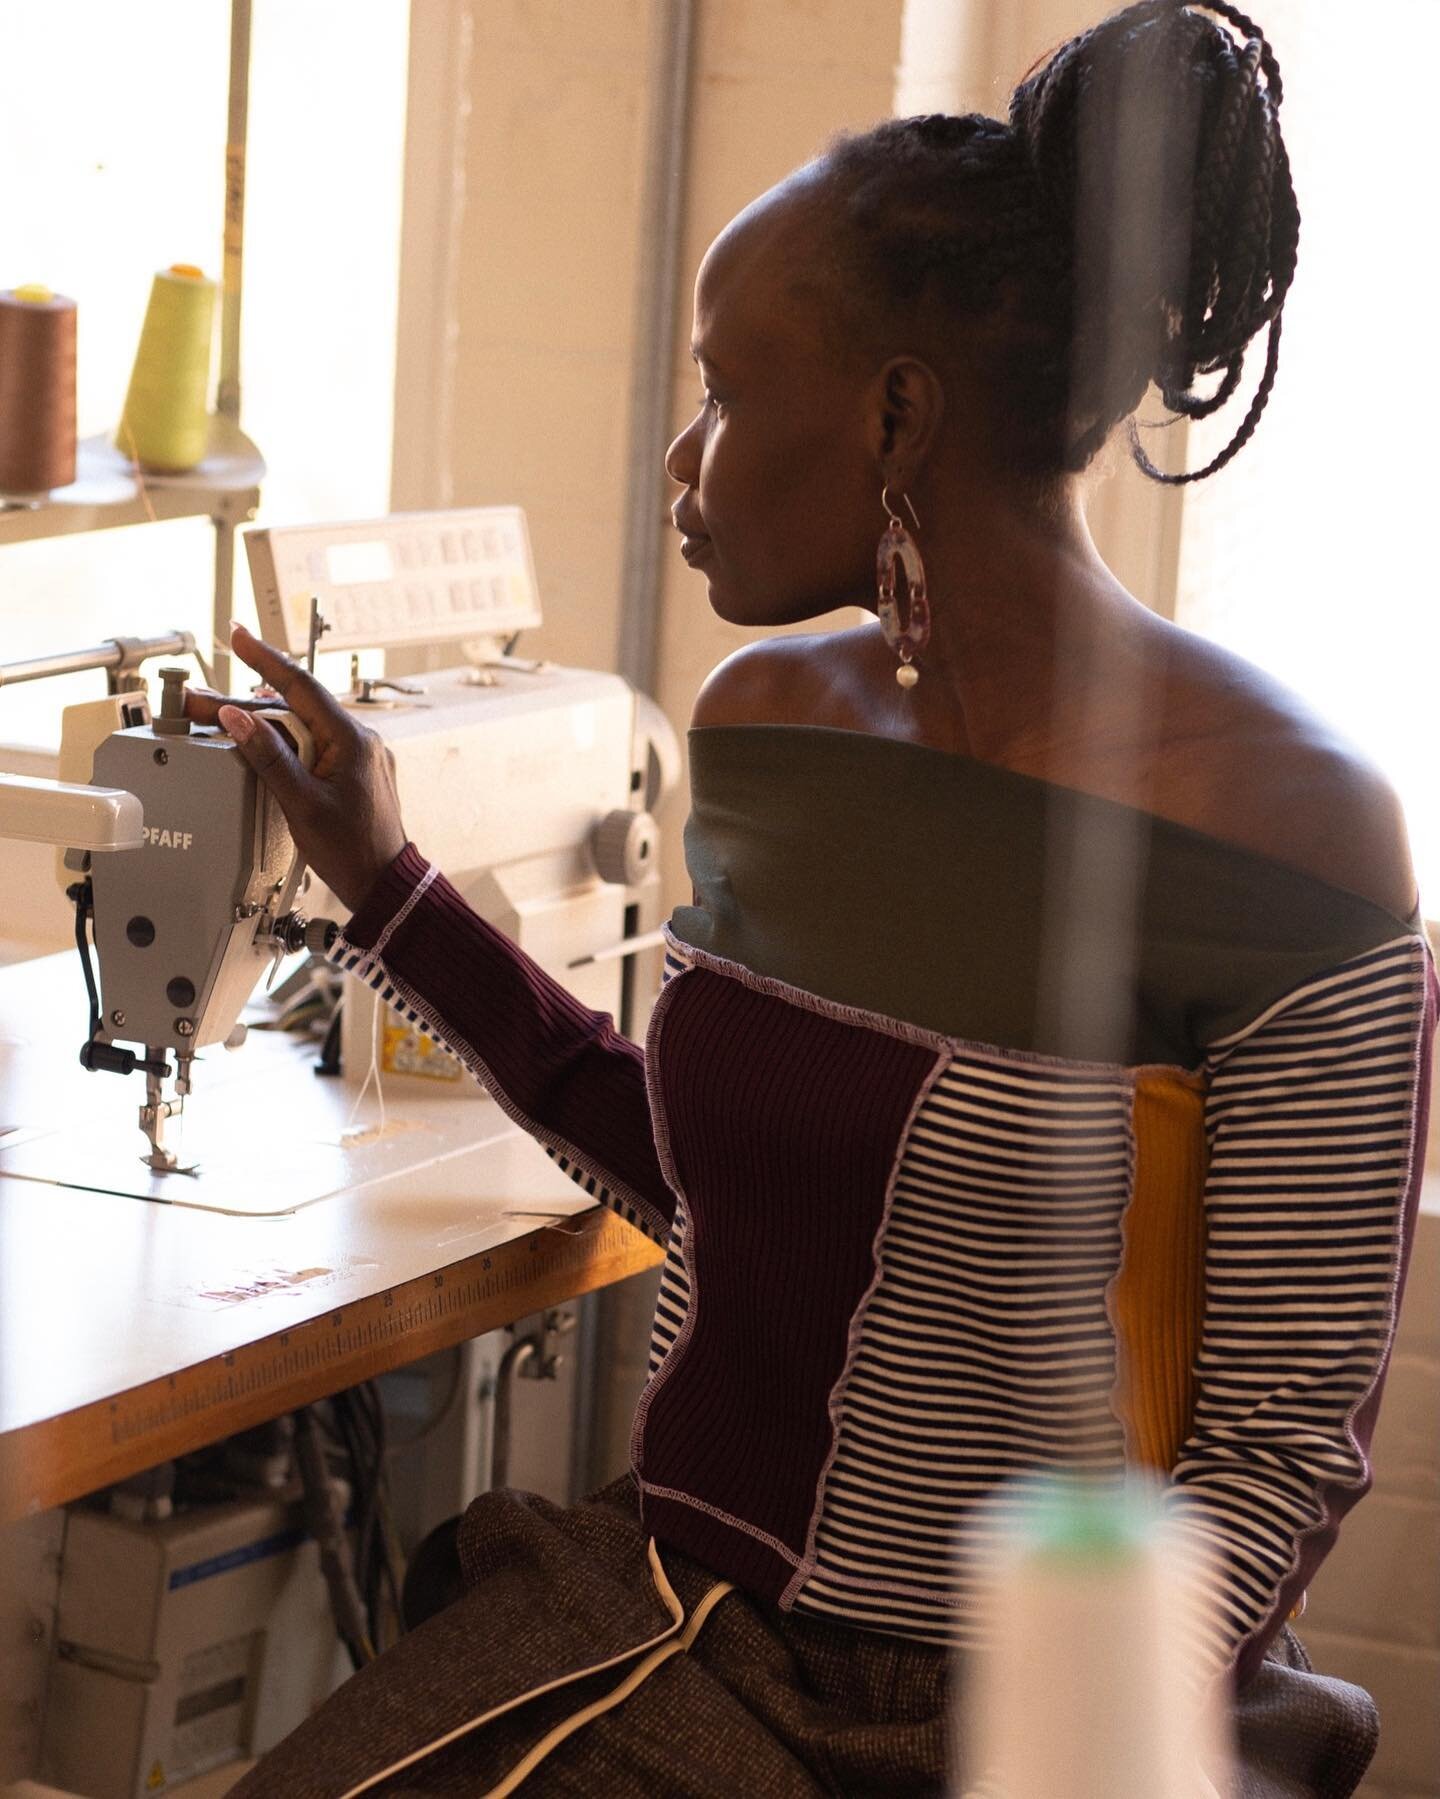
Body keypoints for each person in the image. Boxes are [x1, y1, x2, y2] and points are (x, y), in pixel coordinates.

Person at [215, 3, 1434, 1793]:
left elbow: (1280, 1451)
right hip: (672, 1617)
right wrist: (390, 892)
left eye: (721, 391)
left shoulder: (1292, 832)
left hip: (1023, 1703)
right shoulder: (776, 728)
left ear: (897, 413)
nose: (680, 461)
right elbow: (715, 1186)